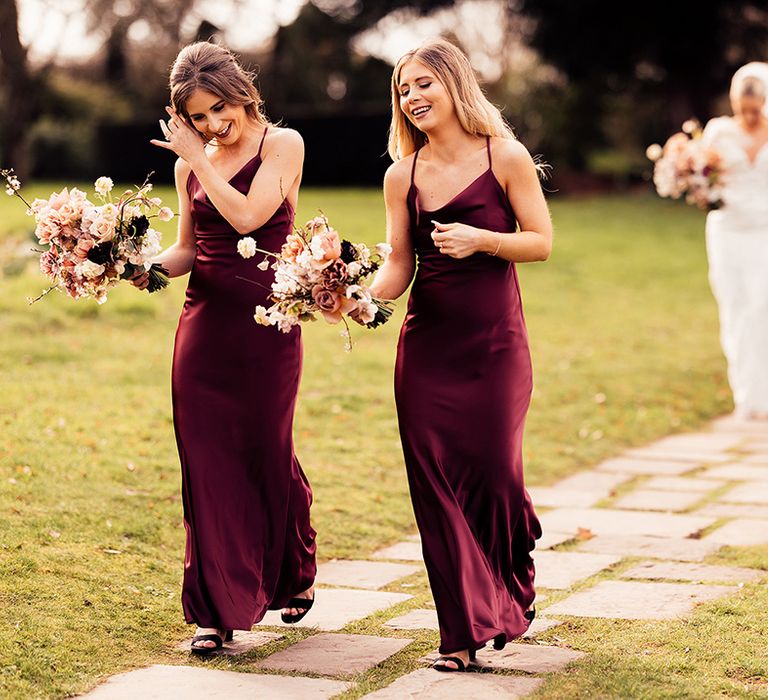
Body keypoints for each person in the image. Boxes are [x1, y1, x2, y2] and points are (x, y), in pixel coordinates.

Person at [367, 38, 552, 672]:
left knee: (495, 477)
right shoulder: (403, 175)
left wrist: (482, 240)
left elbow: (541, 241)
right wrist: (365, 299)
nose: (412, 97)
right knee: (435, 485)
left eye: (423, 83)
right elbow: (398, 263)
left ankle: (503, 584)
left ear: (453, 84)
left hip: (495, 345)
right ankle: (460, 634)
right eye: (403, 89)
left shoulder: (505, 156)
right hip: (427, 348)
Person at [132, 41, 316, 654]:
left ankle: (289, 569)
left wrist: (198, 159)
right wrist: (141, 266)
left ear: (239, 90)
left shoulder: (281, 145)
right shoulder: (192, 164)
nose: (211, 126)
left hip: (268, 326)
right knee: (205, 463)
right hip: (203, 329)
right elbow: (189, 248)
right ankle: (215, 612)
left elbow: (247, 216)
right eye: (197, 117)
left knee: (267, 449)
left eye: (217, 110)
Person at [702, 62, 768, 420]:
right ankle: (746, 393)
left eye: (755, 110)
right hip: (728, 232)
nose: (749, 115)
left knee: (763, 307)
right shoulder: (719, 133)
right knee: (736, 307)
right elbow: (703, 178)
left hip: (765, 231)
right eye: (743, 109)